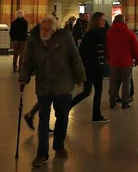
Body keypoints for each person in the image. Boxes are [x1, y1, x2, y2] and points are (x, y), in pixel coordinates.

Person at [19, 16, 86, 167]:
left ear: (54, 30)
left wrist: (80, 77)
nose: (44, 31)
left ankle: (59, 145)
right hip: (43, 85)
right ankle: (42, 154)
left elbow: (74, 57)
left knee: (62, 117)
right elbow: (28, 61)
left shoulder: (65, 38)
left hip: (63, 84)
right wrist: (24, 78)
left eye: (47, 29)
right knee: (43, 120)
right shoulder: (33, 39)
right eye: (42, 28)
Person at [70, 12, 110, 123]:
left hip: (87, 66)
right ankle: (96, 115)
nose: (104, 22)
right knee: (97, 90)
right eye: (102, 20)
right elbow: (108, 31)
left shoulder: (88, 33)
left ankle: (68, 107)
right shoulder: (98, 32)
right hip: (94, 67)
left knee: (87, 92)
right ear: (97, 21)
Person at [106, 14, 138, 109]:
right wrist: (137, 59)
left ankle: (112, 100)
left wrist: (108, 57)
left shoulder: (109, 33)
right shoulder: (129, 33)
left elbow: (107, 47)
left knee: (113, 81)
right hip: (126, 61)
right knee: (126, 82)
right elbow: (136, 48)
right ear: (124, 21)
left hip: (113, 61)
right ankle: (125, 102)